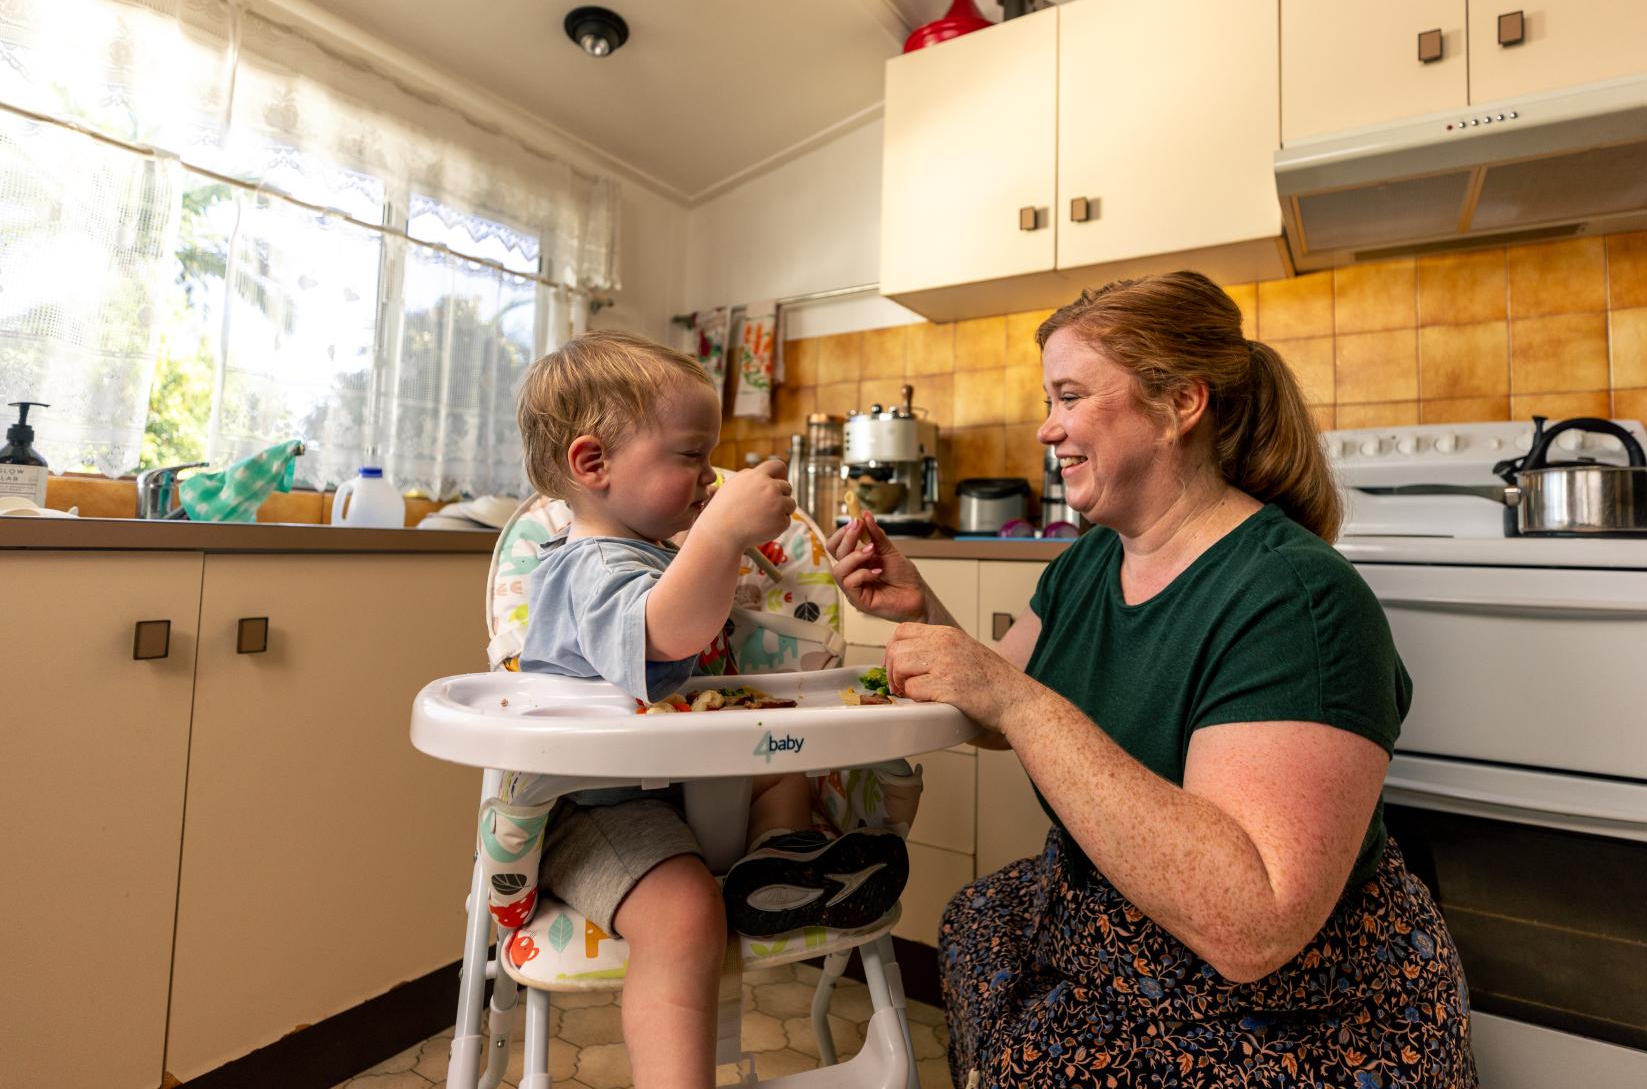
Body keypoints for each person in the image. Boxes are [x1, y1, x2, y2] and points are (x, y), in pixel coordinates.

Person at [827, 273, 1478, 1087]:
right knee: (978, 920)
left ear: (1180, 405)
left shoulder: (1295, 598)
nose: (1046, 428)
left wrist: (1011, 696)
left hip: (1285, 997)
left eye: (1069, 396)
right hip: (1110, 921)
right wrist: (924, 610)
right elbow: (1009, 709)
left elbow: (1255, 924)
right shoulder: (1094, 560)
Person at [515, 330, 908, 1089]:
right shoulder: (588, 567)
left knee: (782, 777)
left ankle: (781, 859)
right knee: (685, 916)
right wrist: (723, 531)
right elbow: (668, 630)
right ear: (592, 464)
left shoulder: (659, 552)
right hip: (601, 805)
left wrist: (739, 550)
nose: (710, 478)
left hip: (695, 788)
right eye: (691, 457)